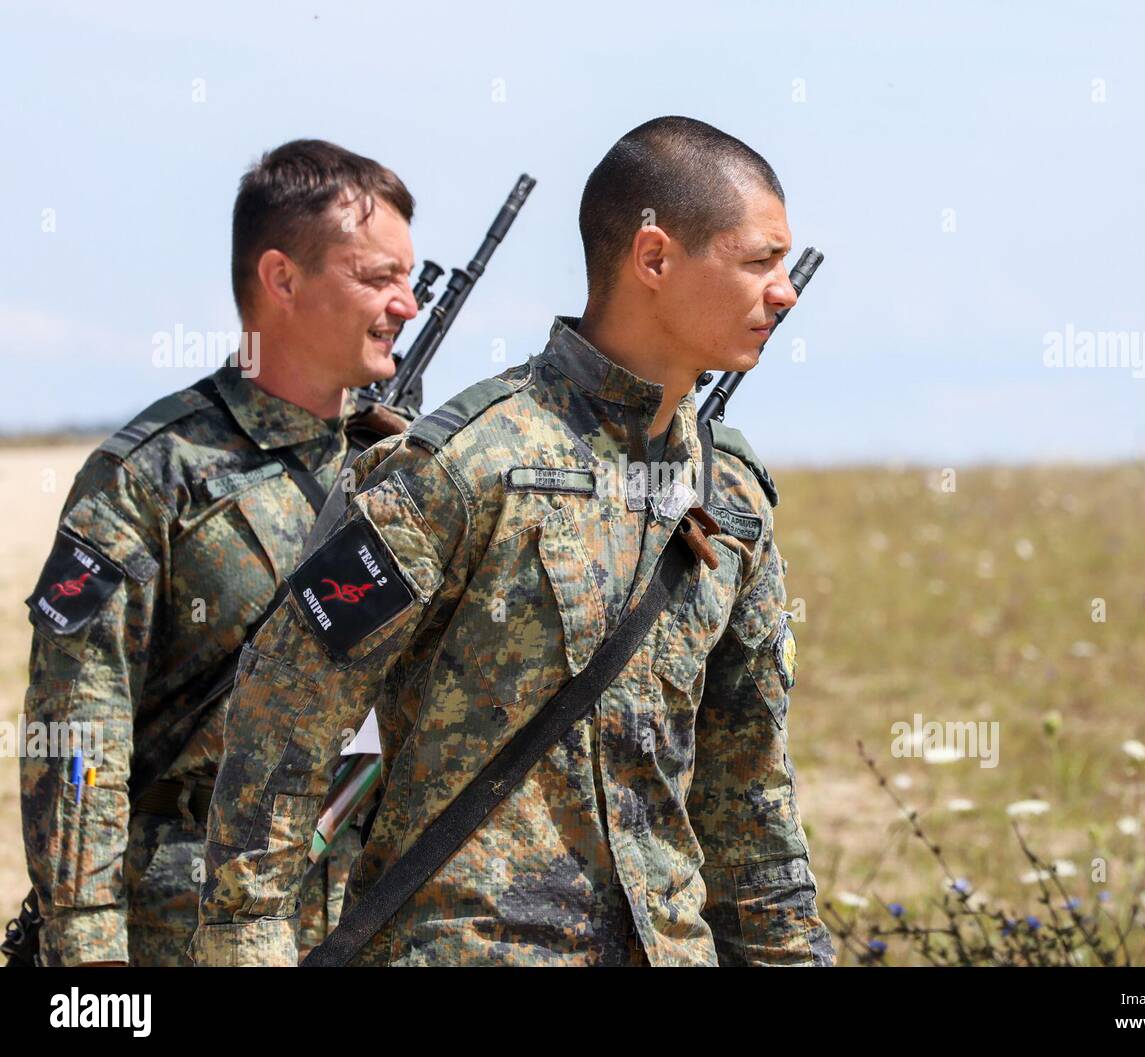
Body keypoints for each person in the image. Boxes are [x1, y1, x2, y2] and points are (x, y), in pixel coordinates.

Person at [190, 116, 834, 967]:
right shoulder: (463, 466)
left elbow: (750, 791)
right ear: (653, 259)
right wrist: (247, 947)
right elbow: (286, 725)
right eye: (759, 261)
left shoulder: (732, 496)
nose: (784, 291)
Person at [18, 138, 420, 965]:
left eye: (410, 280)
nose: (406, 305)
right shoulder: (153, 474)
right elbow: (79, 733)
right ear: (282, 278)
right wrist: (89, 952)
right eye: (378, 278)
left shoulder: (408, 476)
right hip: (184, 920)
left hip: (365, 911)